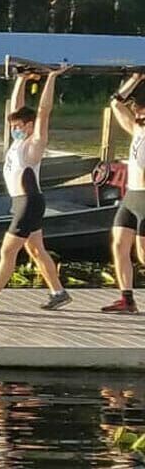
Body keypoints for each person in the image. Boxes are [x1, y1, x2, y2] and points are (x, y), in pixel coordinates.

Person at [0, 67, 70, 312]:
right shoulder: (18, 142)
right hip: (20, 202)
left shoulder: (34, 143)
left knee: (8, 249)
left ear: (30, 126)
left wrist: (51, 78)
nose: (15, 129)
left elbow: (44, 112)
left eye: (19, 126)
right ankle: (59, 292)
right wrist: (21, 80)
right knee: (35, 249)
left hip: (29, 202)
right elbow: (16, 107)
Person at [105, 73, 145, 314]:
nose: (137, 114)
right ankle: (127, 299)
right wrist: (135, 78)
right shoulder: (137, 129)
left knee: (142, 255)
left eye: (140, 111)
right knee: (119, 244)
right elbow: (116, 103)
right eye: (137, 111)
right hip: (132, 196)